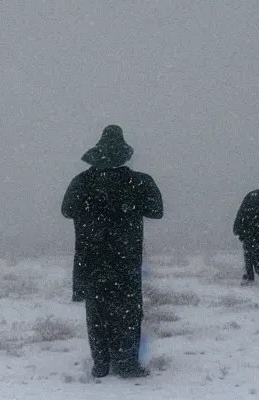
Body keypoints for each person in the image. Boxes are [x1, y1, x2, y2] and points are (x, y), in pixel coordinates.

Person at [61, 125, 163, 379]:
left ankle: (101, 364)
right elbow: (157, 211)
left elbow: (66, 210)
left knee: (97, 312)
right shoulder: (139, 181)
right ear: (124, 154)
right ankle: (127, 364)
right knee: (128, 313)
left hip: (91, 259)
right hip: (125, 259)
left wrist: (94, 209)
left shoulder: (82, 181)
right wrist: (127, 205)